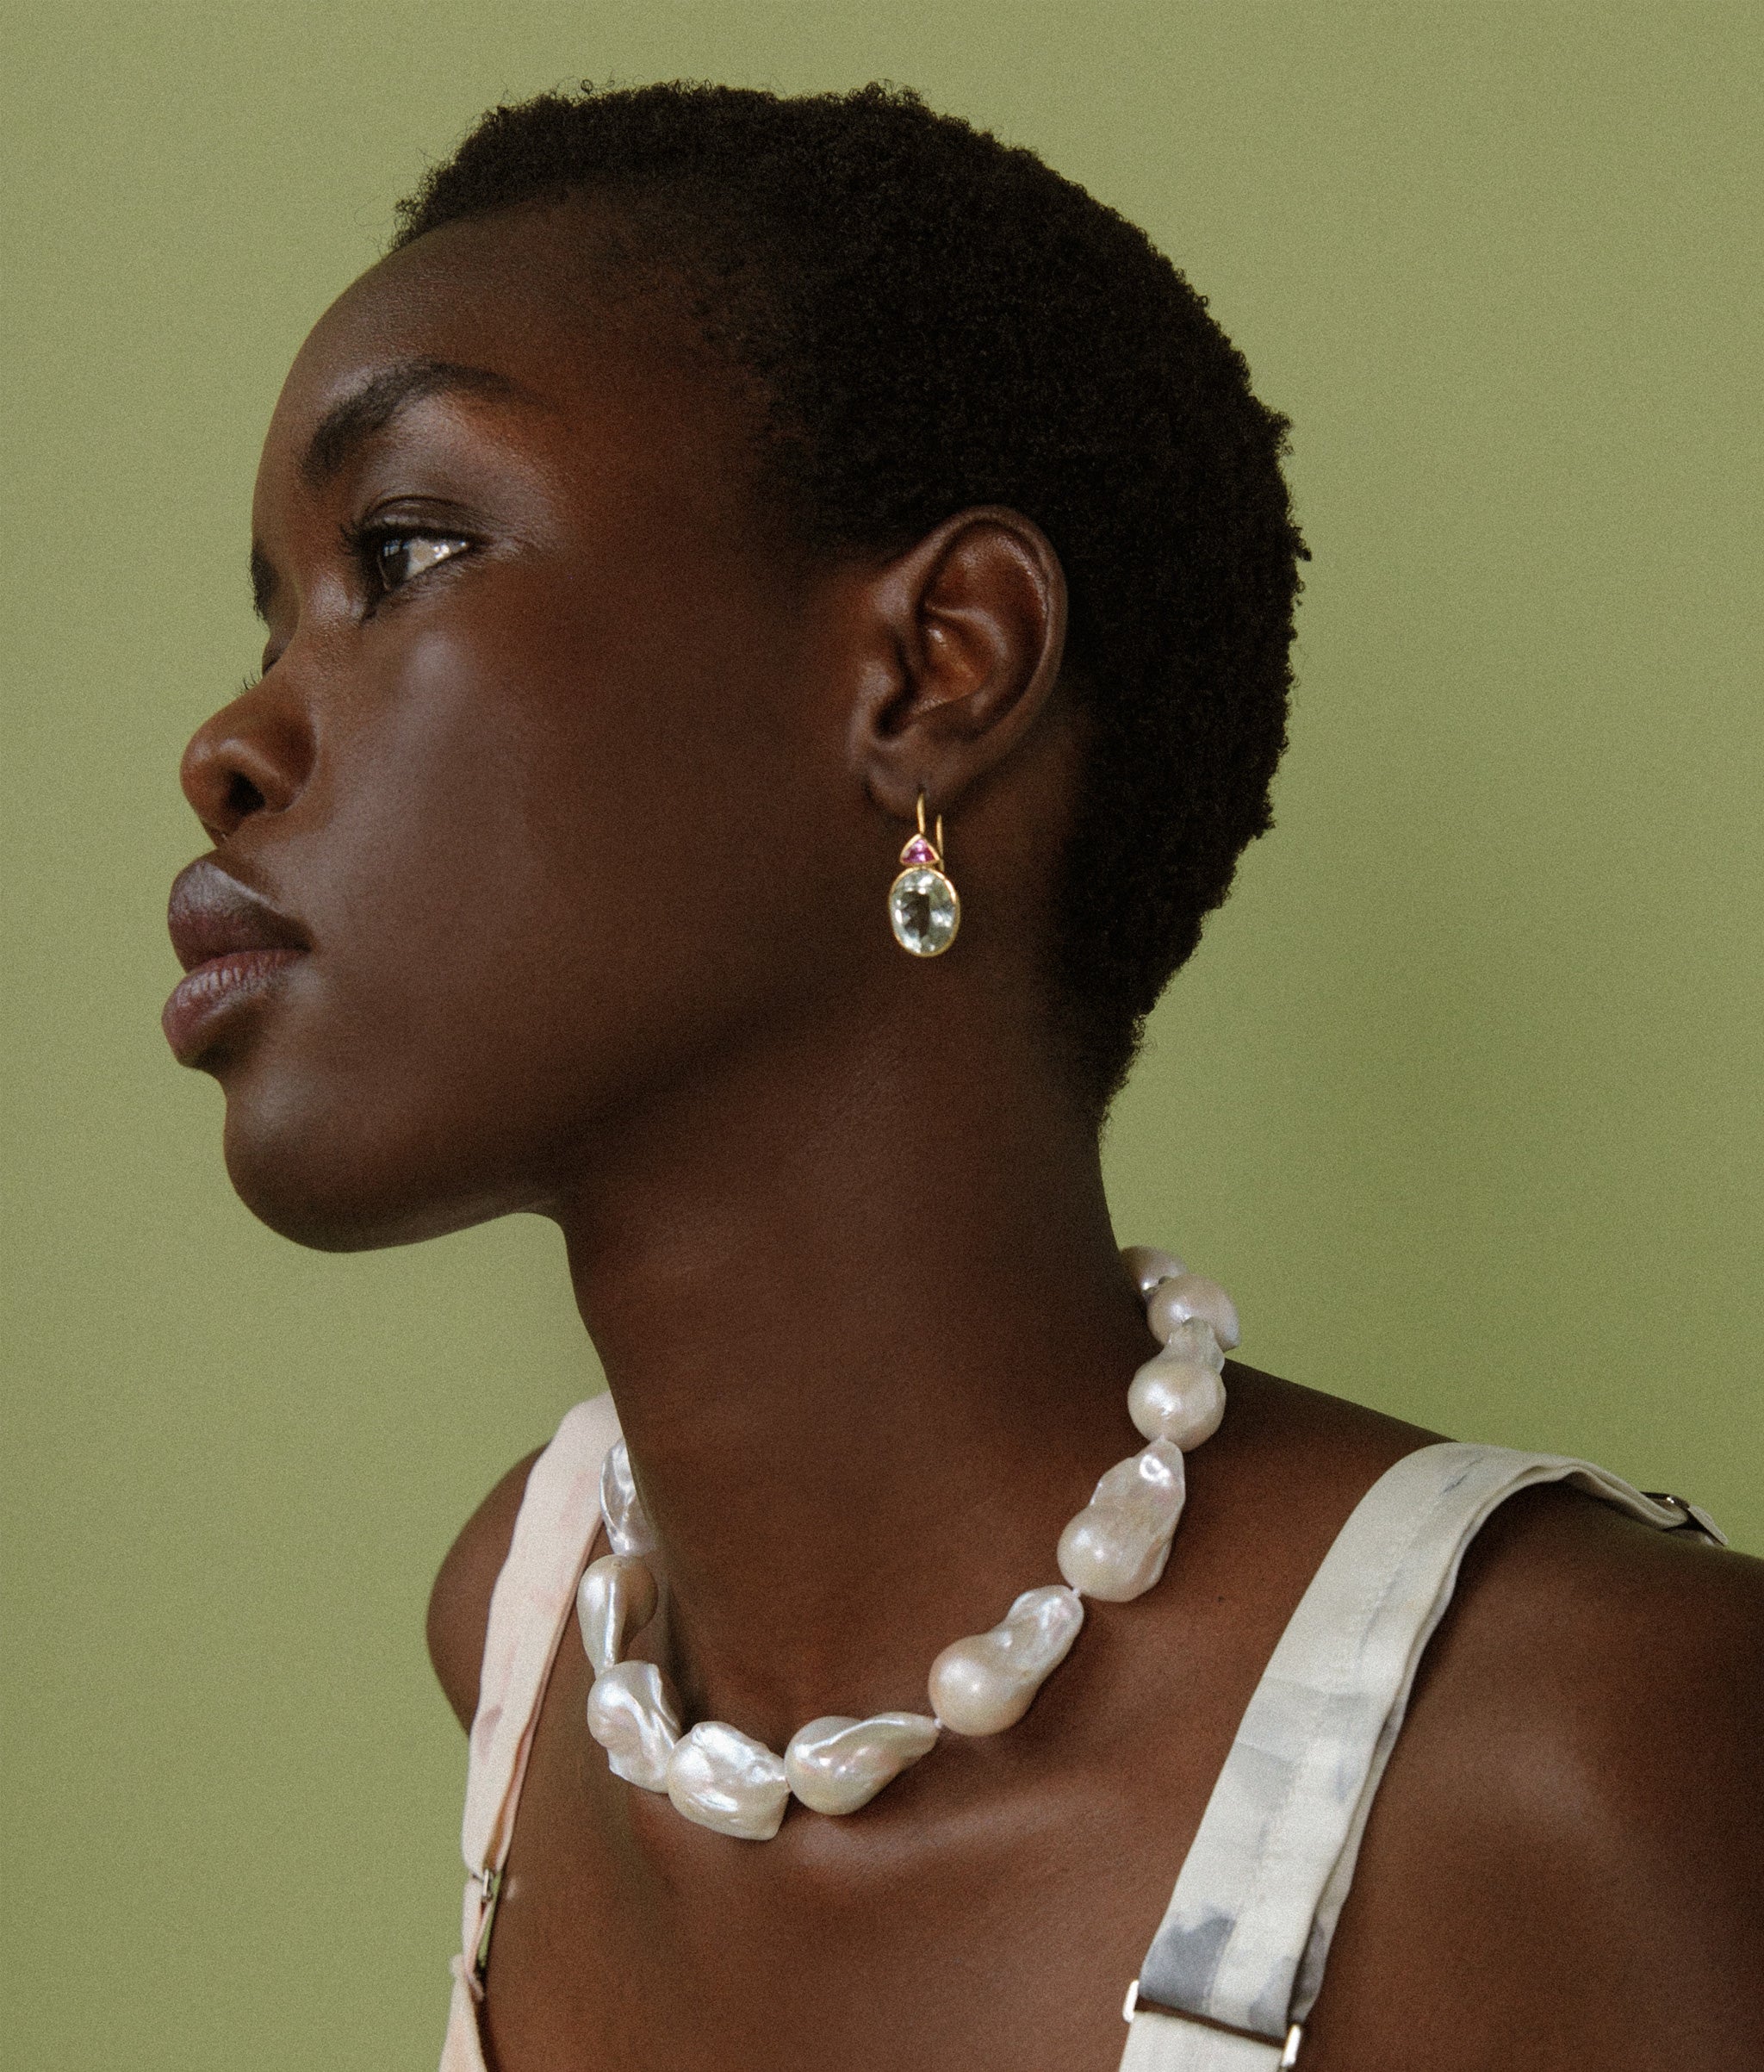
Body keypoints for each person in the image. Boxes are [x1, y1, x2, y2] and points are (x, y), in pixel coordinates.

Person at [161, 82, 1761, 2072]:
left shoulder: (1598, 1748)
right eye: (274, 611)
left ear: (937, 669)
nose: (227, 745)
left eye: (402, 549)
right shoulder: (530, 1621)